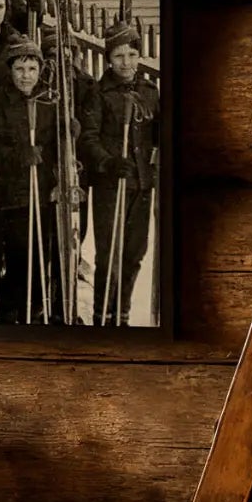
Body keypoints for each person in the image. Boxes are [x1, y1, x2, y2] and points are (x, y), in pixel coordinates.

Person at [79, 23, 160, 326]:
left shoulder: (150, 92)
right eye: (119, 56)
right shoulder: (99, 94)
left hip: (141, 184)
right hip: (112, 185)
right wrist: (108, 162)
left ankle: (122, 314)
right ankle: (103, 315)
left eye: (132, 54)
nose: (126, 62)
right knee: (109, 256)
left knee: (134, 254)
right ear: (109, 58)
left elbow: (158, 133)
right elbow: (88, 138)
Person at [0, 37, 59, 320]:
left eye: (31, 69)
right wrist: (18, 154)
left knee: (41, 252)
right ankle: (10, 308)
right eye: (19, 69)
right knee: (17, 253)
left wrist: (68, 131)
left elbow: (55, 144)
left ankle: (36, 307)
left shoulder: (49, 101)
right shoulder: (2, 103)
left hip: (42, 188)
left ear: (40, 71)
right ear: (10, 71)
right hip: (12, 192)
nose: (25, 76)